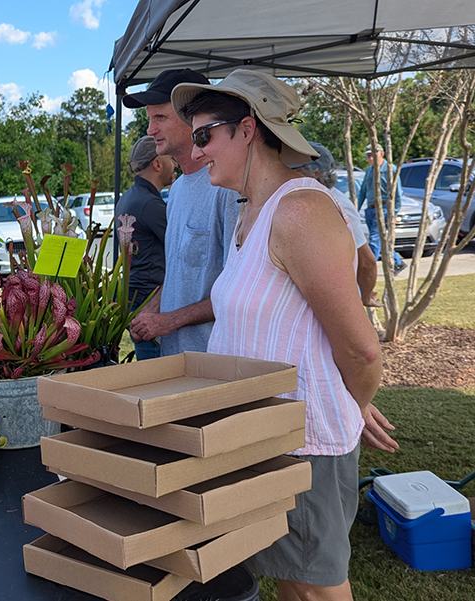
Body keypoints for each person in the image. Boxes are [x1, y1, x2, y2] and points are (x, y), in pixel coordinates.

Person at [172, 68, 397, 601]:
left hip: (305, 445)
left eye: (204, 135)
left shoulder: (299, 211)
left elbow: (362, 347)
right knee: (292, 583)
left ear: (247, 130)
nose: (196, 150)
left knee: (315, 588)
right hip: (263, 440)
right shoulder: (251, 213)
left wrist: (352, 401)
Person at [125, 69, 241, 355]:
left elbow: (238, 289)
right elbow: (181, 270)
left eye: (160, 118)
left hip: (214, 364)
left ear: (195, 120)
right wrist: (154, 307)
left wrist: (168, 321)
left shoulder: (226, 188)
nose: (150, 130)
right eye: (149, 119)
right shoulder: (176, 191)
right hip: (178, 360)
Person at [293, 142, 380, 307]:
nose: (288, 176)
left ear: (316, 173)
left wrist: (365, 297)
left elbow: (367, 262)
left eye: (296, 170)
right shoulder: (301, 201)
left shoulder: (337, 204)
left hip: (337, 306)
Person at [114, 135, 172, 361]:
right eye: (170, 159)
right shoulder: (150, 204)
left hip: (135, 294)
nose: (174, 164)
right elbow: (181, 247)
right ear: (157, 164)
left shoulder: (127, 198)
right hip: (151, 299)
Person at [359, 143, 406, 274]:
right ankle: (398, 262)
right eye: (368, 155)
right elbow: (363, 190)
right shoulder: (369, 170)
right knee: (381, 240)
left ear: (382, 154)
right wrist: (355, 208)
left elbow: (398, 193)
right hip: (370, 209)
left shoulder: (390, 169)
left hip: (384, 209)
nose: (370, 158)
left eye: (373, 154)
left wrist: (394, 213)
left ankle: (369, 269)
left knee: (375, 239)